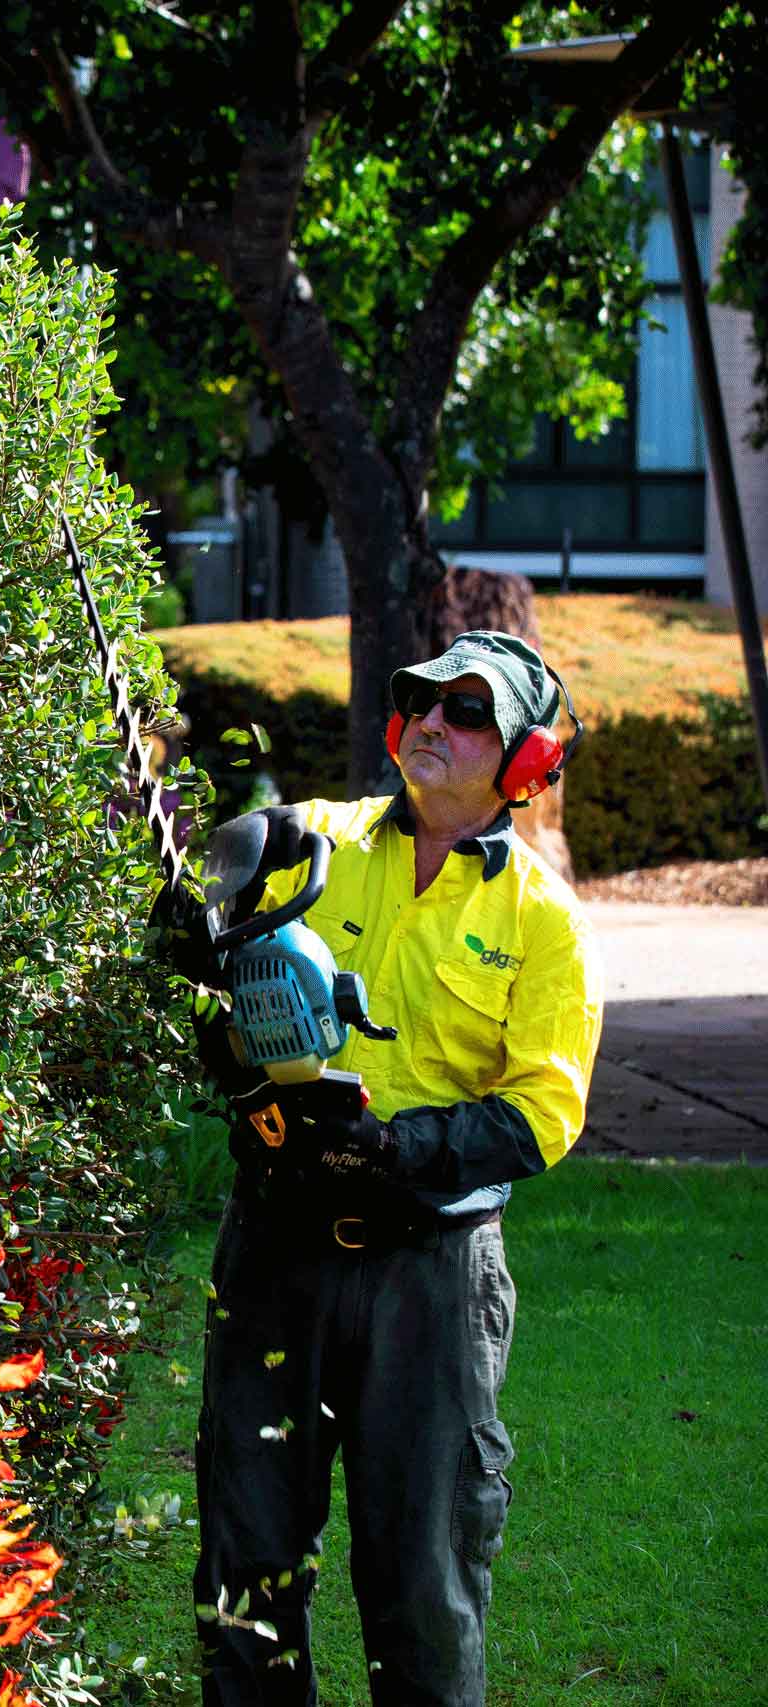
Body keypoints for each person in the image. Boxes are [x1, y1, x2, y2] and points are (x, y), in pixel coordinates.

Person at [161, 629, 604, 1706]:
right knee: (247, 1569)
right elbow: (191, 959)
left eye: (468, 711)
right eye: (422, 701)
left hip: (430, 1273)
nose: (433, 723)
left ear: (526, 760)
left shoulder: (542, 920)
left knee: (424, 1586)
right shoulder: (310, 838)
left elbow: (544, 1114)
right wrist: (194, 922)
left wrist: (392, 1149)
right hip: (277, 1250)